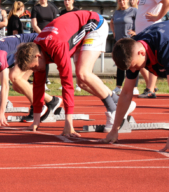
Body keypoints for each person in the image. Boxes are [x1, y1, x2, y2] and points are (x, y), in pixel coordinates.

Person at [15, 10, 136, 138]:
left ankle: (113, 111)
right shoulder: (38, 49)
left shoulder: (57, 47)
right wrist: (36, 121)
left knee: (83, 74)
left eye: (33, 68)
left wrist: (69, 123)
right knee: (82, 83)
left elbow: (67, 84)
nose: (34, 71)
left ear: (38, 56)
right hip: (76, 31)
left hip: (95, 25)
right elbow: (38, 86)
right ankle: (118, 100)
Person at [0, 33, 62, 126]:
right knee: (17, 86)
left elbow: (5, 86)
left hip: (34, 44)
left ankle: (39, 107)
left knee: (14, 77)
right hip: (23, 50)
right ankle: (52, 101)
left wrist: (1, 113)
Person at [102, 20, 169, 153]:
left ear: (141, 53)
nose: (133, 71)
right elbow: (126, 93)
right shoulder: (131, 47)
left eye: (134, 66)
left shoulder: (165, 47)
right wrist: (115, 129)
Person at [132, 0, 169, 99]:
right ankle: (151, 86)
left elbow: (167, 2)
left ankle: (150, 88)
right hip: (142, 32)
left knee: (150, 59)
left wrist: (158, 17)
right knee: (140, 62)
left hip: (152, 33)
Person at [110, 0, 139, 95]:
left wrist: (136, 32)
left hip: (130, 41)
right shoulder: (117, 12)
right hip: (119, 41)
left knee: (132, 64)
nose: (122, 2)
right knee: (120, 64)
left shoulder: (134, 11)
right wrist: (114, 32)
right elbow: (112, 22)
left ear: (127, 0)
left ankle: (134, 87)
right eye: (119, 0)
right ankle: (118, 87)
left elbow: (140, 22)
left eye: (123, 0)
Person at [31, 0, 58, 88]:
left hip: (49, 37)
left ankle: (45, 81)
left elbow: (55, 23)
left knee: (46, 60)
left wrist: (50, 35)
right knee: (38, 59)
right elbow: (34, 24)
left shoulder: (52, 8)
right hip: (39, 37)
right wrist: (42, 34)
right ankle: (37, 81)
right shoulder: (35, 8)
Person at [59, 0, 81, 92]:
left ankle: (78, 84)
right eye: (65, 0)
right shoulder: (62, 12)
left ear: (72, 1)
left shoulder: (77, 11)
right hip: (65, 40)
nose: (67, 2)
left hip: (76, 39)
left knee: (77, 63)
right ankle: (65, 83)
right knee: (64, 63)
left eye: (68, 0)